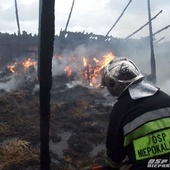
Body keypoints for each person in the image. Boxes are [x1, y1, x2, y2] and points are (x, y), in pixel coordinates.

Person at [101, 57, 170, 170]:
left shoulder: (120, 109)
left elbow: (114, 156)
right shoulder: (164, 97)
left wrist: (111, 165)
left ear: (114, 84)